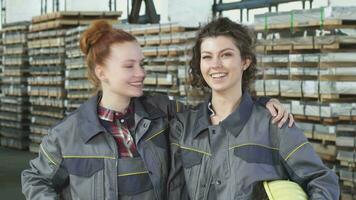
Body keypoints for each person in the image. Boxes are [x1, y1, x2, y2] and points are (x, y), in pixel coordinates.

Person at [21, 20, 293, 200]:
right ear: (100, 71)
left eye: (142, 63)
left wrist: (259, 103)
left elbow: (216, 111)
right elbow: (35, 179)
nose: (141, 73)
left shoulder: (163, 112)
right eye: (129, 66)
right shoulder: (68, 134)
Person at [167, 17, 339, 200]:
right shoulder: (183, 127)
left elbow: (322, 180)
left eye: (226, 55)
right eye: (207, 56)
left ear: (245, 61)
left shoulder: (274, 123)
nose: (215, 64)